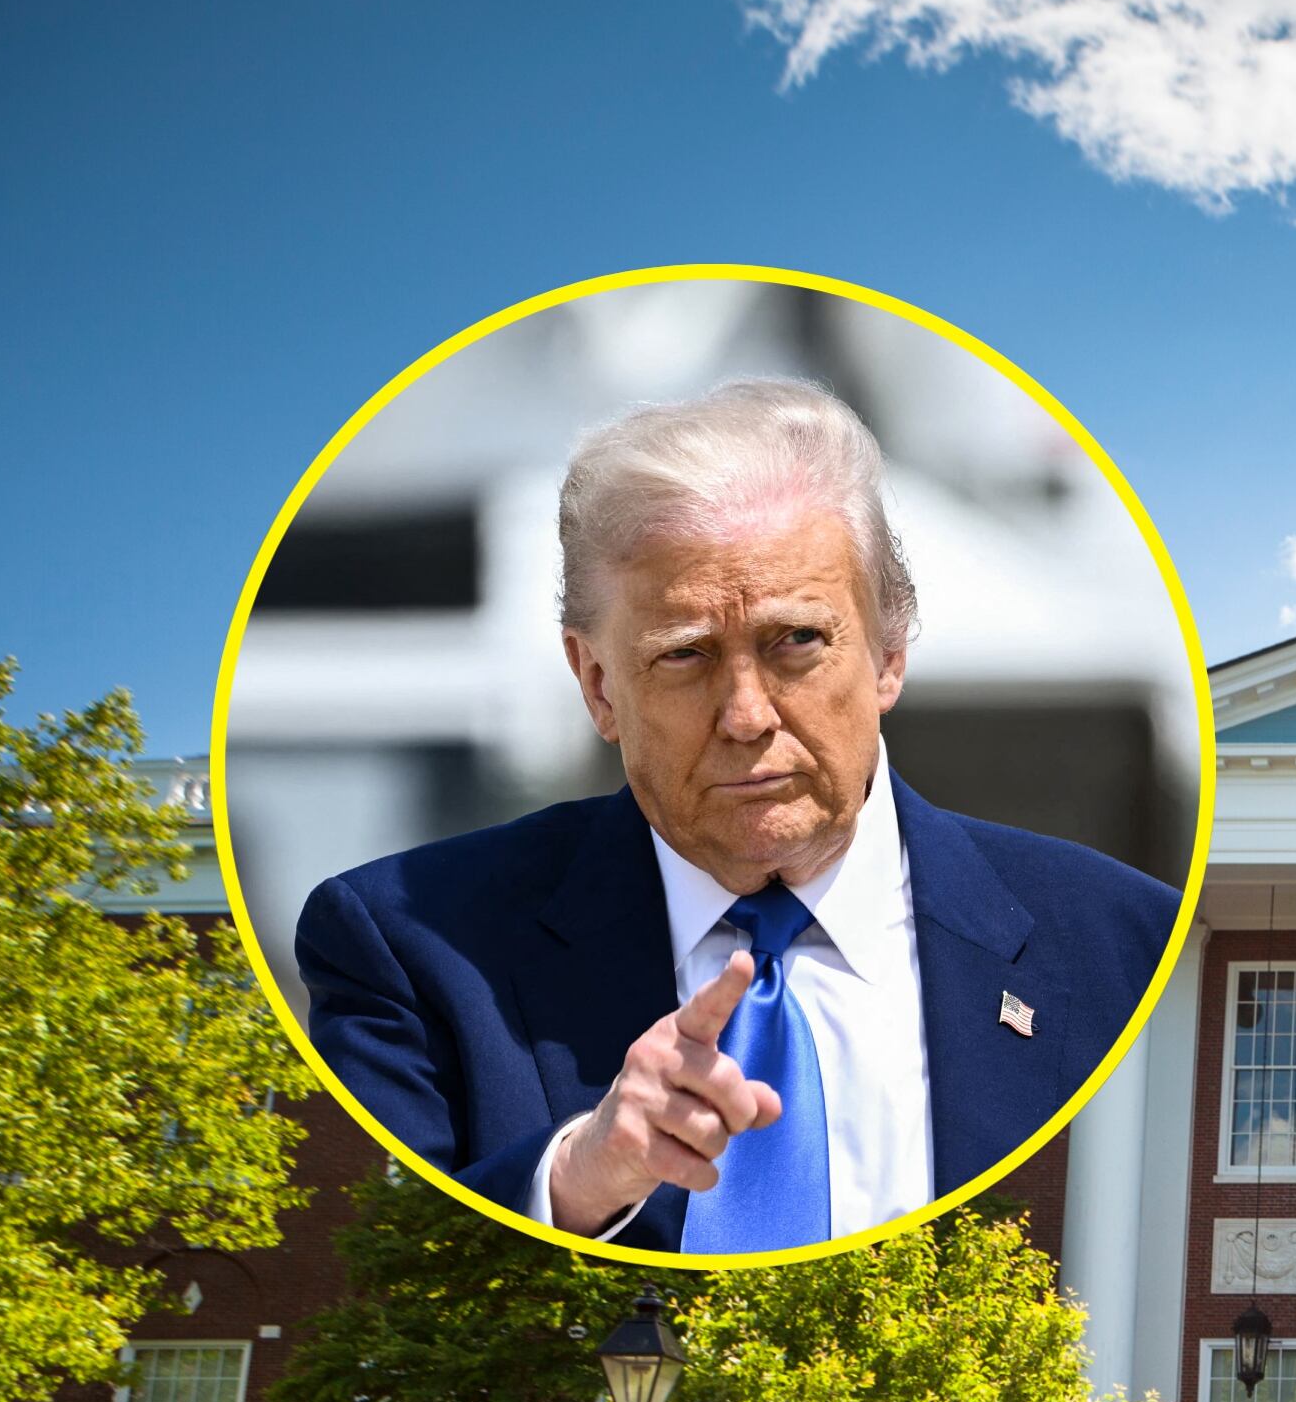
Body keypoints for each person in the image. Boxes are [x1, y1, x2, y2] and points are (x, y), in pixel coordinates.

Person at [293, 380, 1180, 1254]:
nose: (747, 714)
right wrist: (575, 1180)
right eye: (685, 656)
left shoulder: (1122, 944)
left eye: (796, 641)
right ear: (598, 684)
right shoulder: (405, 947)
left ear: (889, 654)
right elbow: (365, 1262)